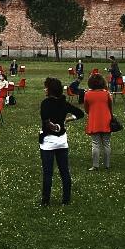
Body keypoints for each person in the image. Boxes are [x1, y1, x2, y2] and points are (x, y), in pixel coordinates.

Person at [39, 77, 84, 206]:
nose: (44, 89)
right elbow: (80, 113)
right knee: (64, 171)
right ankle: (66, 199)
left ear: (51, 90)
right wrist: (67, 120)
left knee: (48, 173)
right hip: (62, 141)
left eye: (46, 87)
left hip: (48, 142)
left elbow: (46, 121)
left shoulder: (46, 103)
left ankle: (45, 201)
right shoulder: (64, 103)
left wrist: (55, 126)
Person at [83, 73, 112, 171]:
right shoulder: (106, 93)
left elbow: (86, 109)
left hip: (94, 120)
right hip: (106, 120)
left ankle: (95, 165)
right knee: (106, 143)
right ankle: (107, 165)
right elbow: (110, 106)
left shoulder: (87, 94)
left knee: (95, 144)